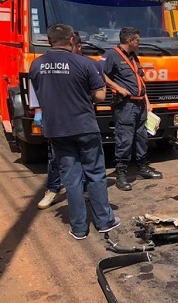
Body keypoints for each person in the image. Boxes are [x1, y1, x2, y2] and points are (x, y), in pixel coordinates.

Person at [29, 24, 119, 239]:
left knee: (71, 179)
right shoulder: (84, 63)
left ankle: (79, 228)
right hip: (84, 127)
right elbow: (99, 96)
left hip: (56, 129)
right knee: (95, 175)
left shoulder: (36, 64)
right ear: (71, 40)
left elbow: (37, 95)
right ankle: (104, 222)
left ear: (49, 41)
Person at [100, 27, 162, 191]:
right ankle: (121, 174)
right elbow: (100, 74)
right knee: (125, 139)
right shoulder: (111, 55)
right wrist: (117, 87)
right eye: (137, 41)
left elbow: (140, 81)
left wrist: (147, 101)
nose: (139, 43)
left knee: (142, 137)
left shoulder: (133, 57)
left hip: (140, 104)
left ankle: (142, 167)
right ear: (129, 41)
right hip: (125, 105)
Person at [36, 31, 85, 209]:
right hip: (58, 120)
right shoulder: (50, 65)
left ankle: (83, 189)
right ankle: (53, 190)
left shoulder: (84, 64)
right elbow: (41, 89)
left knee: (85, 157)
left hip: (81, 120)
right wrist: (39, 110)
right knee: (55, 157)